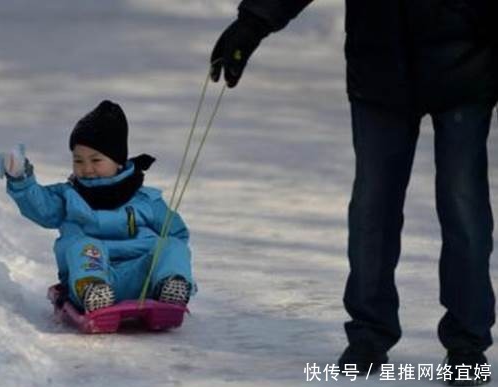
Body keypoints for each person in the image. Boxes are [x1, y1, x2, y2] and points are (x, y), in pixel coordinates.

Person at [210, 0, 497, 384]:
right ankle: (369, 333)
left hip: (465, 67)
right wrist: (252, 23)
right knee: (371, 208)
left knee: (464, 208)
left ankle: (467, 345)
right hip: (379, 70)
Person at [0, 100, 195, 313]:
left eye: (96, 160)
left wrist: (164, 261)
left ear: (118, 161)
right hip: (90, 275)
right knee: (84, 246)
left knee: (172, 245)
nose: (87, 168)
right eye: (78, 161)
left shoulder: (146, 200)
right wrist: (20, 178)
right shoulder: (68, 196)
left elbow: (177, 235)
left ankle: (170, 285)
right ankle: (94, 292)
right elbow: (41, 208)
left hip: (144, 277)